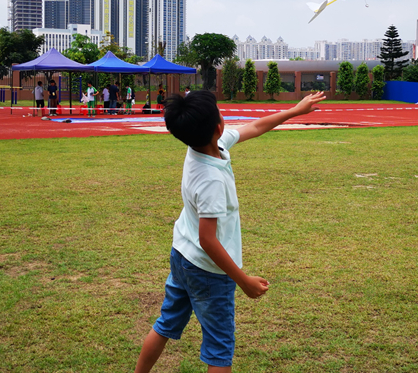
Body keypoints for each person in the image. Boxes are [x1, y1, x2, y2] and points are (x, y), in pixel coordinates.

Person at [135, 90, 326, 372]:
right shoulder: (210, 179)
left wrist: (294, 111)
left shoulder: (205, 146)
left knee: (166, 324)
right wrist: (243, 280)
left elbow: (255, 126)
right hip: (209, 272)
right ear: (218, 127)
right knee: (220, 347)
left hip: (182, 256)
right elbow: (208, 240)